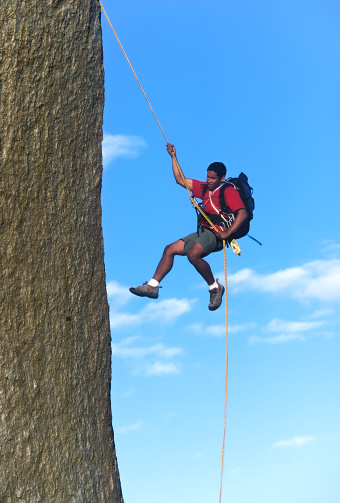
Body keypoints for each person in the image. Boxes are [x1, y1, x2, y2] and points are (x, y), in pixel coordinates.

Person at [129, 143, 248, 311]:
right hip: (203, 231)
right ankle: (152, 287)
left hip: (216, 234)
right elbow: (180, 180)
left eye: (213, 178)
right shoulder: (204, 188)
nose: (209, 180)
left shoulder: (228, 190)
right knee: (169, 249)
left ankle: (215, 288)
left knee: (193, 255)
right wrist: (173, 157)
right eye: (207, 176)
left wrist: (228, 232)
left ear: (222, 178)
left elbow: (242, 213)